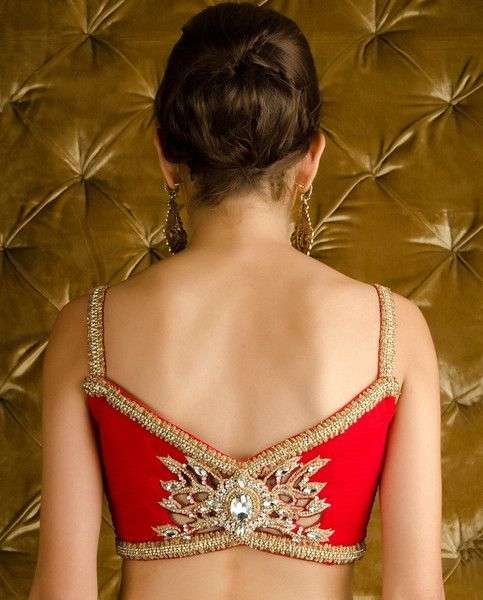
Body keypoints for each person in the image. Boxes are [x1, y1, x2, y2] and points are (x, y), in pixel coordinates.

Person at [29, 2, 445, 599]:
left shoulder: (87, 329)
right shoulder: (393, 331)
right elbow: (416, 594)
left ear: (167, 157)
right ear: (311, 158)